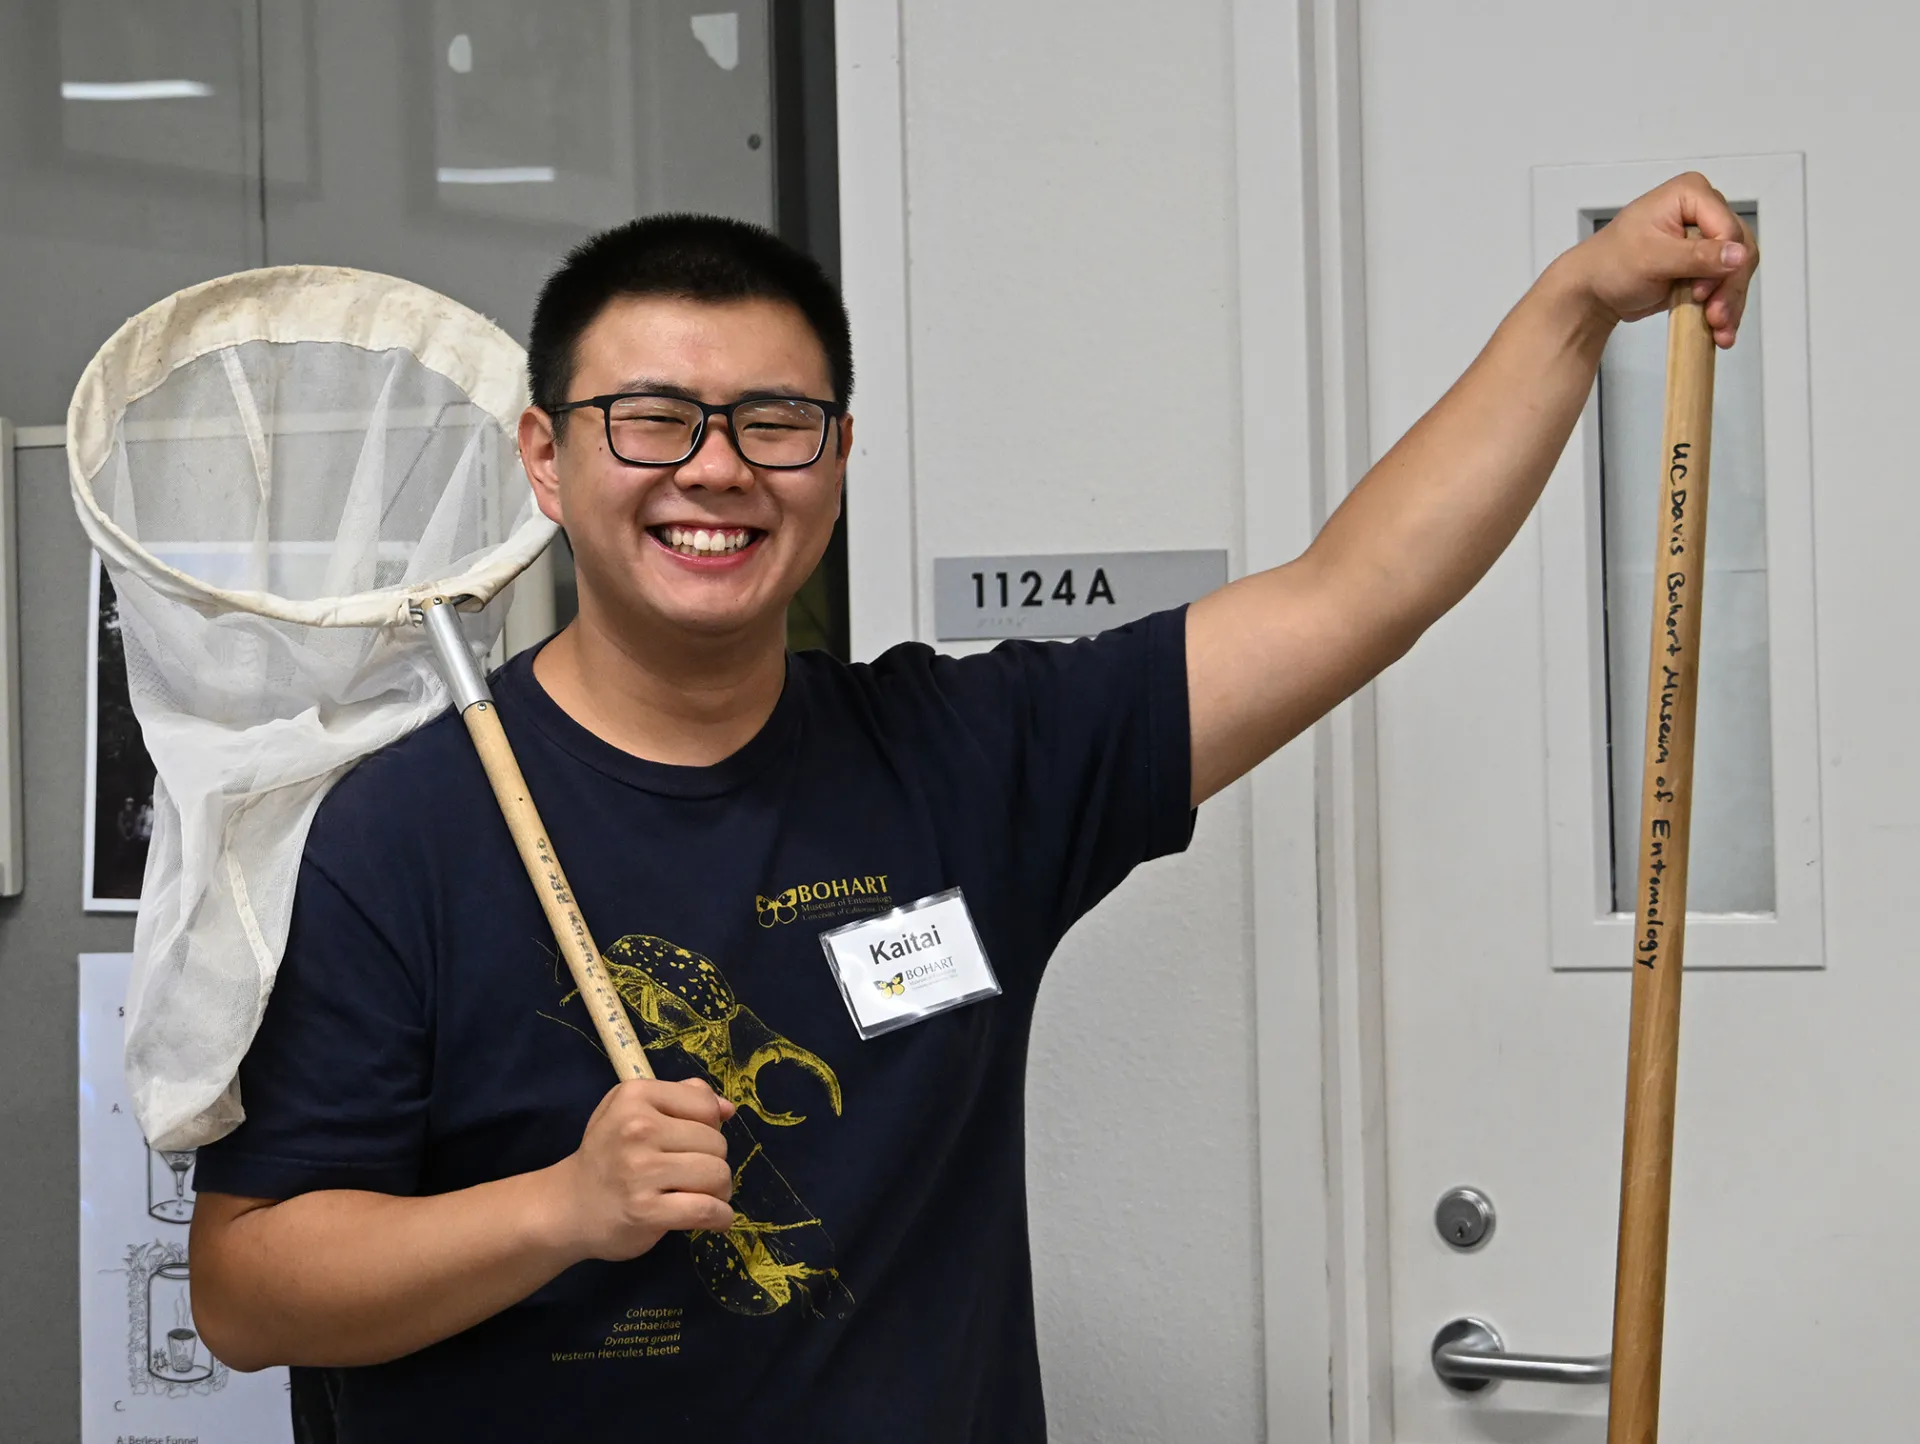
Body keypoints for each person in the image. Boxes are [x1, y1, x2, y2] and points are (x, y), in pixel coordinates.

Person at [189, 175, 1756, 1441]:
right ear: (548, 455)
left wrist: (1578, 302)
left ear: (841, 456)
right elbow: (251, 1291)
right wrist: (562, 1206)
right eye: (652, 418)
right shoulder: (399, 826)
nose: (717, 470)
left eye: (774, 422)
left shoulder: (966, 758)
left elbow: (1357, 595)